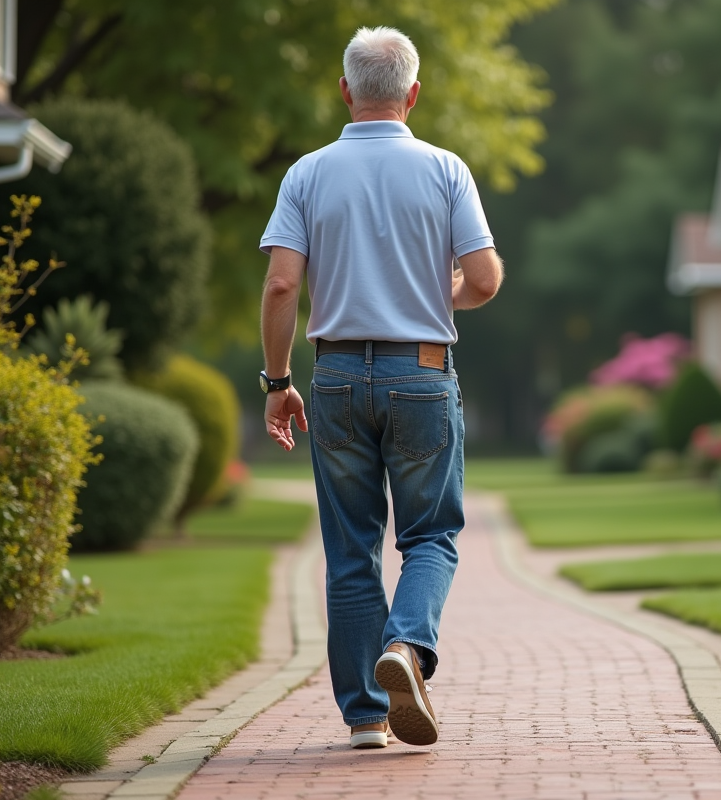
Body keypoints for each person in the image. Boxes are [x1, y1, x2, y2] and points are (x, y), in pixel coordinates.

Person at [256, 25, 503, 749]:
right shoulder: (446, 169)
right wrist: (429, 294)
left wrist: (278, 382)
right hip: (422, 374)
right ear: (413, 93)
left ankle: (365, 716)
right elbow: (484, 279)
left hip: (332, 377)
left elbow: (280, 284)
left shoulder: (305, 173)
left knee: (350, 548)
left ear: (345, 90)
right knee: (431, 535)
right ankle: (407, 646)